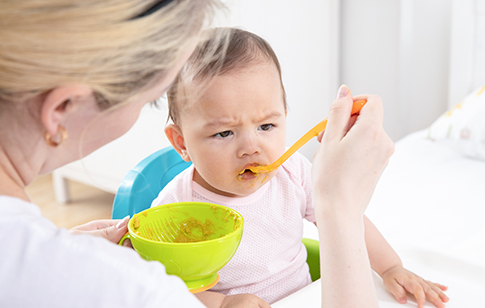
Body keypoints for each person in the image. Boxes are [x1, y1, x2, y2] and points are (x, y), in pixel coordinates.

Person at [152, 27, 449, 308]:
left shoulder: (293, 173)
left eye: (266, 126)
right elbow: (158, 285)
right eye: (224, 133)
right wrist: (221, 302)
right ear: (181, 143)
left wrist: (390, 267)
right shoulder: (174, 207)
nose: (251, 147)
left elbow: (348, 218)